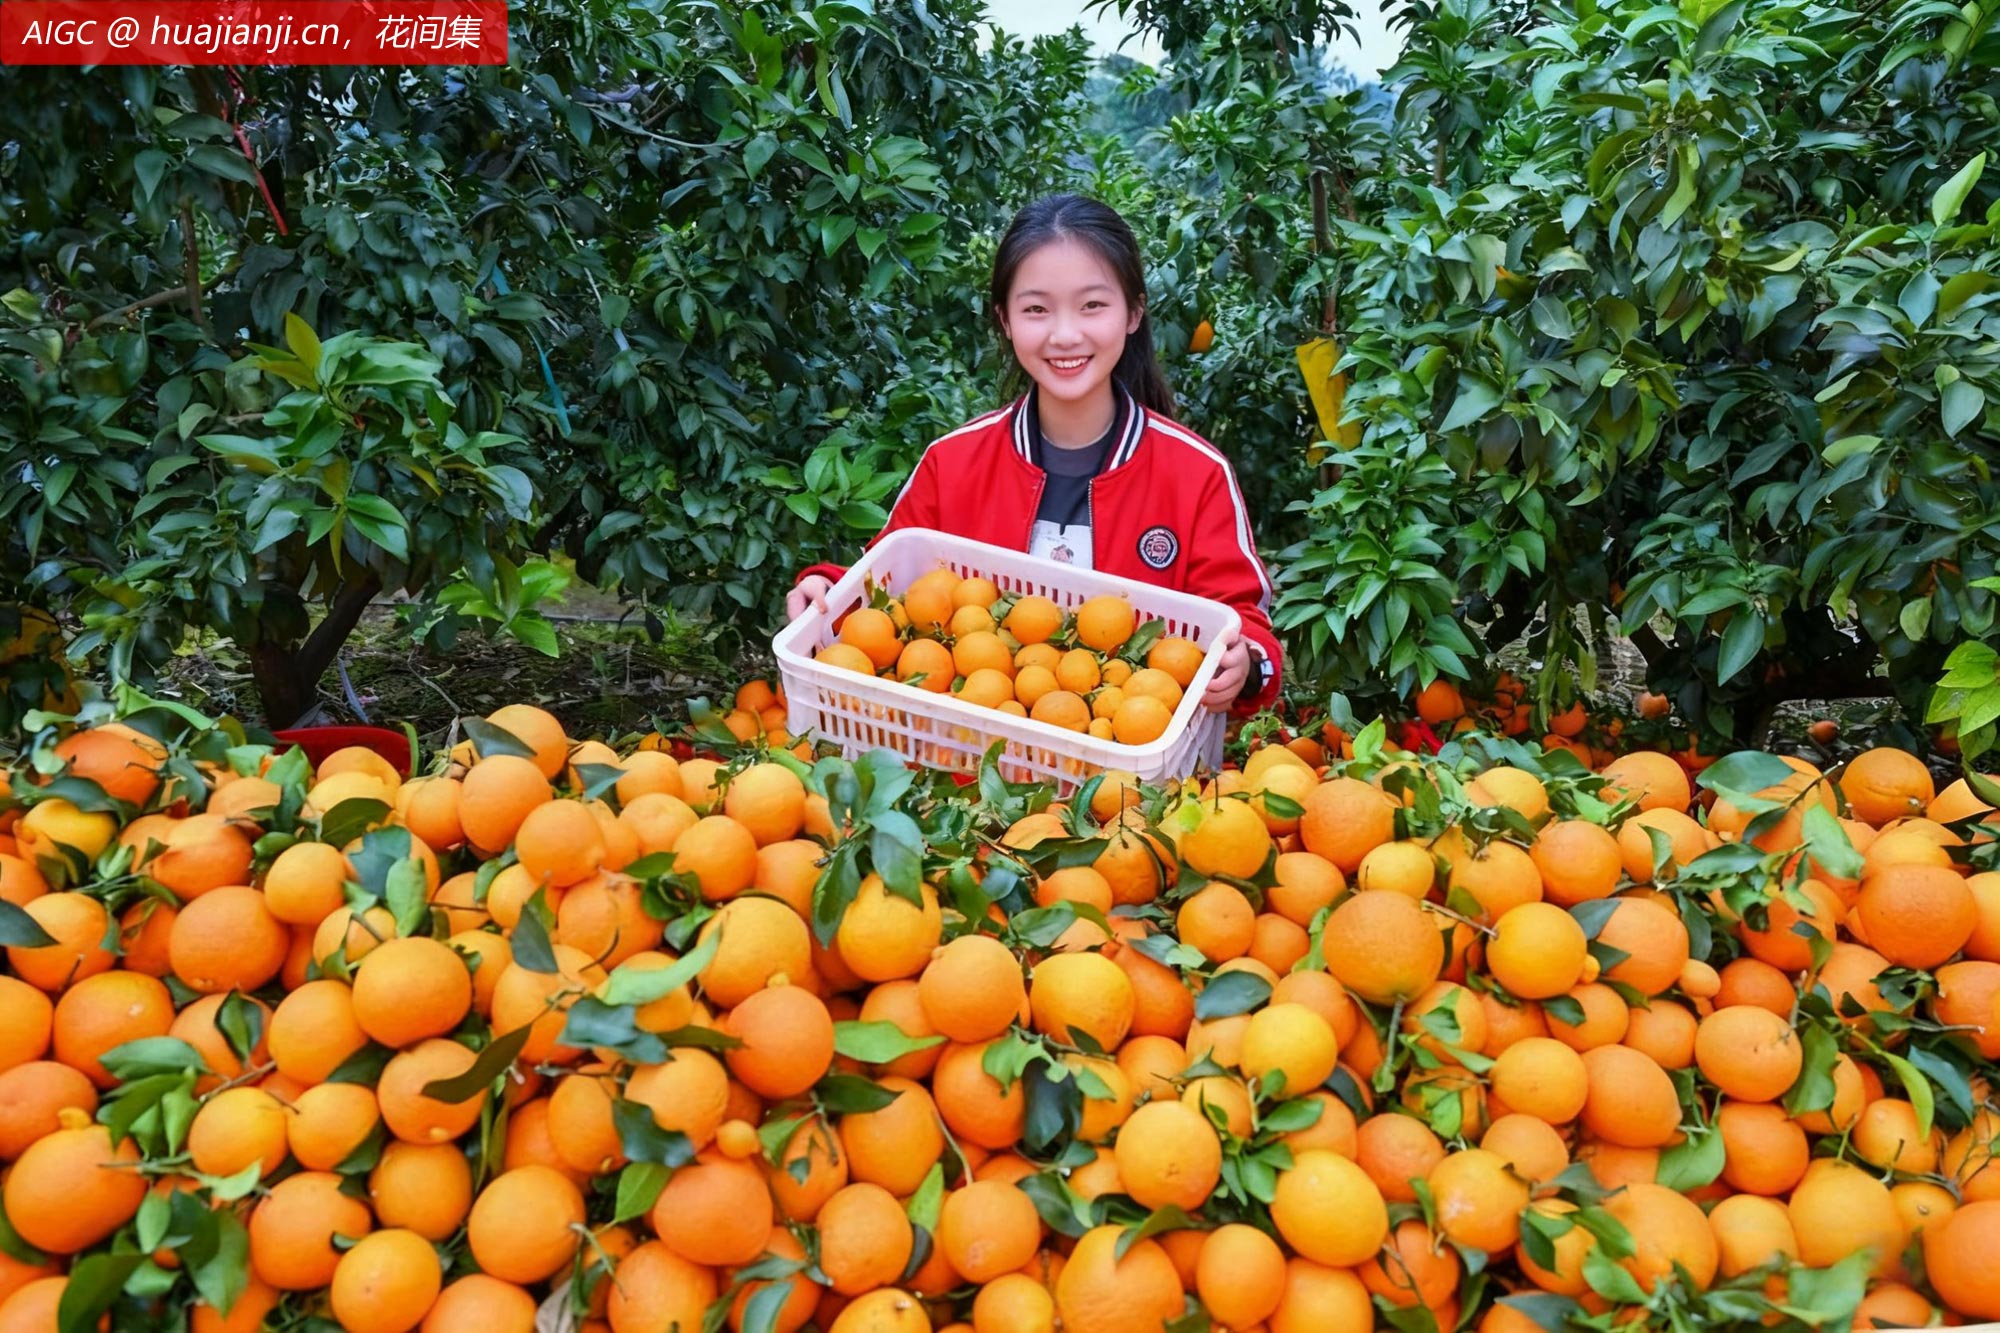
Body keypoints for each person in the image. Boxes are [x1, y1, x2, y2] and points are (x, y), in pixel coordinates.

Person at [787, 194, 1281, 713]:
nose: (1065, 335)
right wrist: (824, 591)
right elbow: (884, 598)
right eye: (1036, 309)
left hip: (1133, 770)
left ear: (1134, 312)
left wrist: (1244, 665)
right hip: (963, 764)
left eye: (1093, 305)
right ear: (1004, 318)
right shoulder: (952, 465)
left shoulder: (1194, 474)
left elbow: (1242, 624)